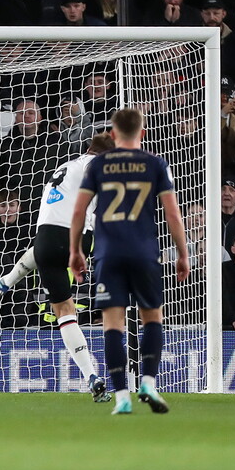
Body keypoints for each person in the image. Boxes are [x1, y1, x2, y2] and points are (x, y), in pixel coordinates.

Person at [69, 108, 189, 415]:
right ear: (143, 133)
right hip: (144, 251)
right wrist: (183, 253)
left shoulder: (97, 164)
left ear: (112, 134)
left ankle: (122, 395)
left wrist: (75, 251)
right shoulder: (155, 164)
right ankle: (148, 381)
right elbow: (172, 213)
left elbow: (80, 211)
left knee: (113, 325)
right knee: (152, 318)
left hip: (108, 253)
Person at [0, 133, 115, 402]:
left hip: (46, 241)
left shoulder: (64, 167)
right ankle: (91, 375)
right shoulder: (93, 165)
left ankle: (5, 282)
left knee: (64, 310)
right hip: (76, 238)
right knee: (69, 307)